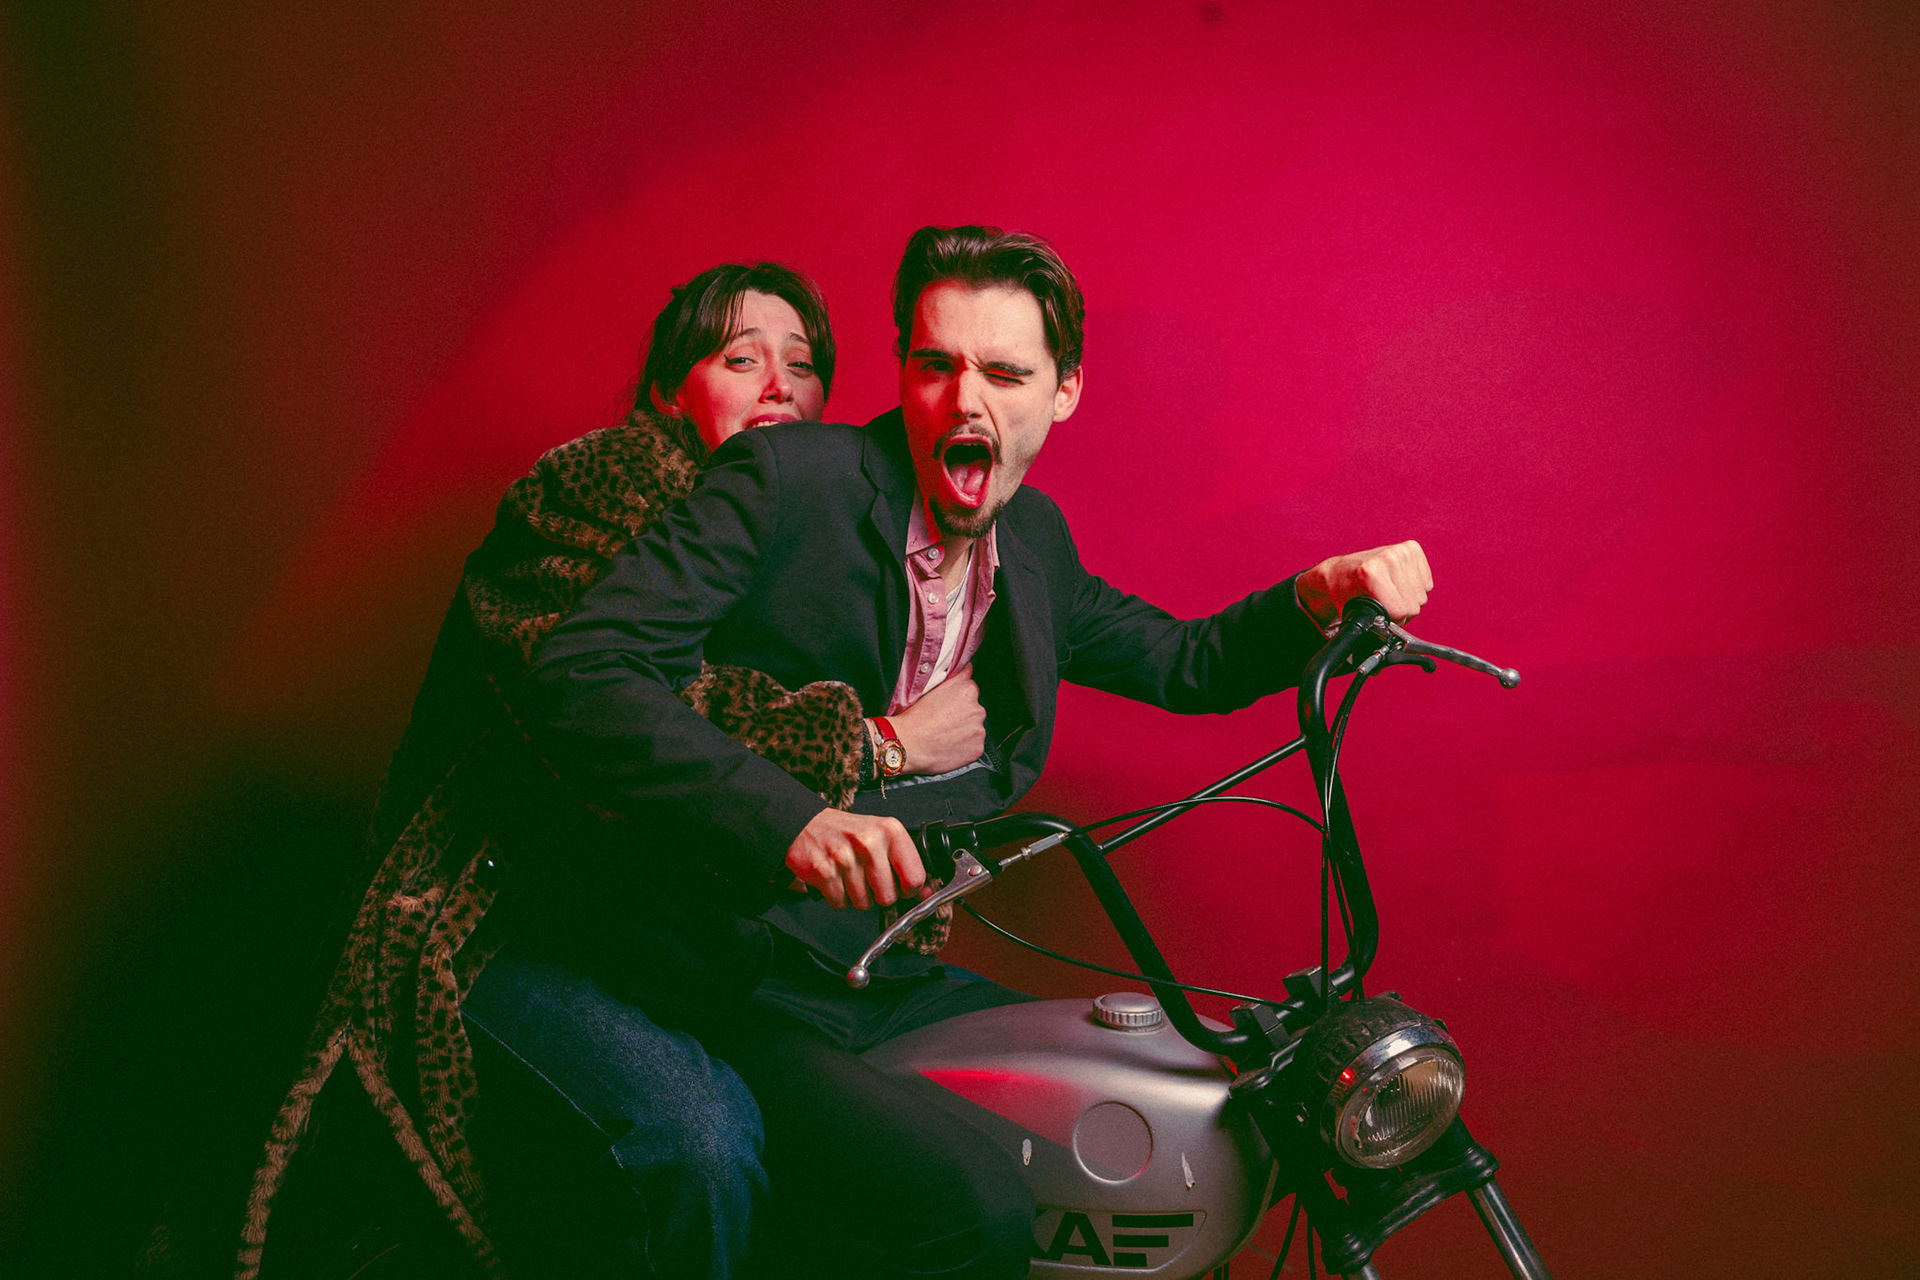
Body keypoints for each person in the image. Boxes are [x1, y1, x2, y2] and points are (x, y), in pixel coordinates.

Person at [519, 224, 1435, 1279]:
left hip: (884, 967)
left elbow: (1187, 664)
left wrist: (1317, 593)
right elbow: (584, 668)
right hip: (728, 973)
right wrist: (794, 818)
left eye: (1004, 373)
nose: (964, 402)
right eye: (936, 366)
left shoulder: (1033, 543)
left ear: (1065, 391)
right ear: (903, 372)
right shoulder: (785, 480)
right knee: (974, 1205)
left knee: (1158, 1109)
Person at [238, 260, 980, 1280]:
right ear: (669, 390)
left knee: (921, 1105)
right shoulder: (589, 492)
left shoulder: (799, 532)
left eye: (804, 365)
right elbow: (621, 711)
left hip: (674, 934)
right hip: (505, 917)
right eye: (741, 359)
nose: (780, 384)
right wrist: (876, 739)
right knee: (698, 1137)